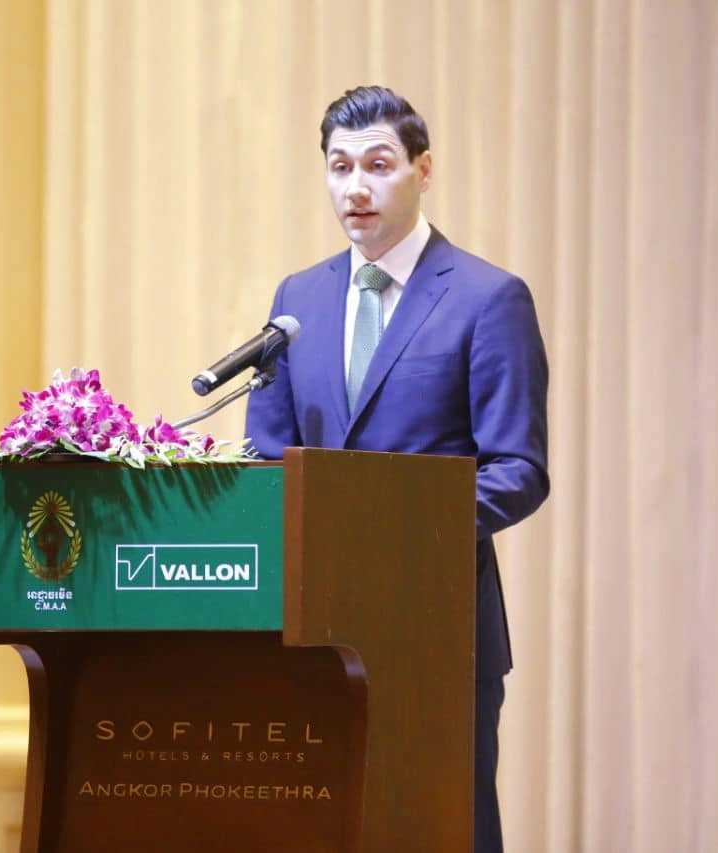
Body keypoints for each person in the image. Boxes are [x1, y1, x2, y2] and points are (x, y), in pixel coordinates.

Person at [244, 85, 549, 852]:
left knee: (444, 829)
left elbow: (518, 468)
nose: (356, 186)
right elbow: (266, 456)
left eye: (378, 165)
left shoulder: (487, 298)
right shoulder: (297, 300)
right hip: (314, 630)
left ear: (424, 169)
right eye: (339, 166)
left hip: (438, 627)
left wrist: (392, 532)